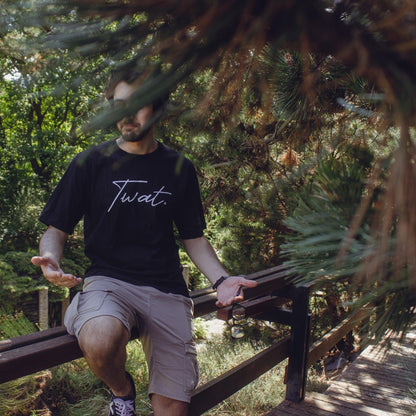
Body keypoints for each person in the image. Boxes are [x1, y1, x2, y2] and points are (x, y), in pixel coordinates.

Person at [31, 69, 257, 416]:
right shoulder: (91, 163)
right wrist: (51, 259)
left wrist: (222, 280)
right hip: (109, 282)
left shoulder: (179, 167)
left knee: (172, 409)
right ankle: (122, 393)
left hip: (166, 290)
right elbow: (56, 229)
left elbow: (193, 238)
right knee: (99, 337)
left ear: (158, 107)